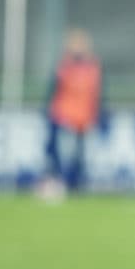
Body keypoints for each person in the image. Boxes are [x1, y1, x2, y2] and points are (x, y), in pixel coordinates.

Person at [38, 27, 104, 202]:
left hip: (83, 119)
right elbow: (54, 91)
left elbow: (97, 94)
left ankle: (75, 186)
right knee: (58, 153)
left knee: (78, 156)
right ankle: (57, 183)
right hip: (63, 117)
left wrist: (97, 115)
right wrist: (50, 112)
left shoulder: (92, 68)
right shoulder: (65, 66)